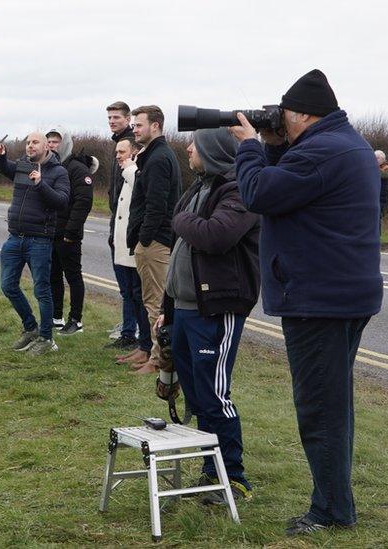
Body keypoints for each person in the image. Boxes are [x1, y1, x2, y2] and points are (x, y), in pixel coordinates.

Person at [231, 69, 383, 536]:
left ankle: (332, 511)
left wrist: (251, 146)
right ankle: (335, 502)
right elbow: (289, 184)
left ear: (300, 114)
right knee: (333, 405)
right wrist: (275, 143)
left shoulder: (320, 151)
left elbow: (259, 191)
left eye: (285, 117)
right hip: (340, 294)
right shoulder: (343, 144)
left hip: (320, 300)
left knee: (320, 409)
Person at [158, 127, 260, 505]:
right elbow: (184, 249)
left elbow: (215, 236)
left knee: (215, 394)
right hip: (184, 309)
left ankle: (233, 478)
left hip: (216, 309)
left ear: (213, 151)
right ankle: (209, 469)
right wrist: (166, 312)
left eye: (195, 145)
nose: (188, 148)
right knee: (198, 395)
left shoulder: (239, 190)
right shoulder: (200, 187)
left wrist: (180, 218)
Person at [0, 133, 70, 355]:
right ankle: (30, 328)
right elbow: (3, 167)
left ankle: (47, 338)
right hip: (15, 237)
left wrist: (41, 184)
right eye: (27, 143)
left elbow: (62, 202)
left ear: (47, 146)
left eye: (35, 142)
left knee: (41, 290)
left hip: (40, 239)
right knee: (8, 285)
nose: (30, 146)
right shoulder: (22, 166)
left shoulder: (58, 171)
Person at [127, 105, 182, 374]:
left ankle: (159, 361)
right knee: (151, 299)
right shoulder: (153, 155)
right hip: (154, 240)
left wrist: (145, 239)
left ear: (156, 126)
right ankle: (150, 352)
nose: (134, 129)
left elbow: (156, 206)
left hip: (155, 242)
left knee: (155, 303)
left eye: (139, 125)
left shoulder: (159, 158)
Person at [46, 128, 95, 335]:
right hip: (50, 232)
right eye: (48, 141)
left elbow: (83, 202)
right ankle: (57, 317)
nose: (51, 145)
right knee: (53, 276)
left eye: (55, 141)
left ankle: (76, 320)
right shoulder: (48, 167)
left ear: (65, 143)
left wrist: (71, 232)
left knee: (73, 277)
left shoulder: (76, 168)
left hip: (68, 235)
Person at [111, 137, 153, 367]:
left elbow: (139, 187)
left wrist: (130, 167)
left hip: (133, 248)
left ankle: (147, 347)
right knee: (131, 296)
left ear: (135, 153)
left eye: (123, 152)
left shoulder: (136, 172)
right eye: (117, 152)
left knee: (140, 297)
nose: (118, 156)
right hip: (122, 247)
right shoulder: (129, 171)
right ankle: (142, 346)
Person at [106, 101, 138, 349]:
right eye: (109, 118)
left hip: (128, 223)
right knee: (126, 288)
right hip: (116, 221)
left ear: (128, 119)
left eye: (117, 117)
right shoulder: (118, 143)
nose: (112, 121)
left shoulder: (132, 143)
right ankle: (129, 328)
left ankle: (133, 330)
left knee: (133, 288)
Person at [374, 150, 388, 218]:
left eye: (377, 158)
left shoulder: (387, 168)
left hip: (382, 195)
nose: (375, 160)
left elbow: (384, 175)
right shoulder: (375, 168)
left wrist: (374, 168)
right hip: (375, 194)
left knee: (378, 215)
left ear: (382, 159)